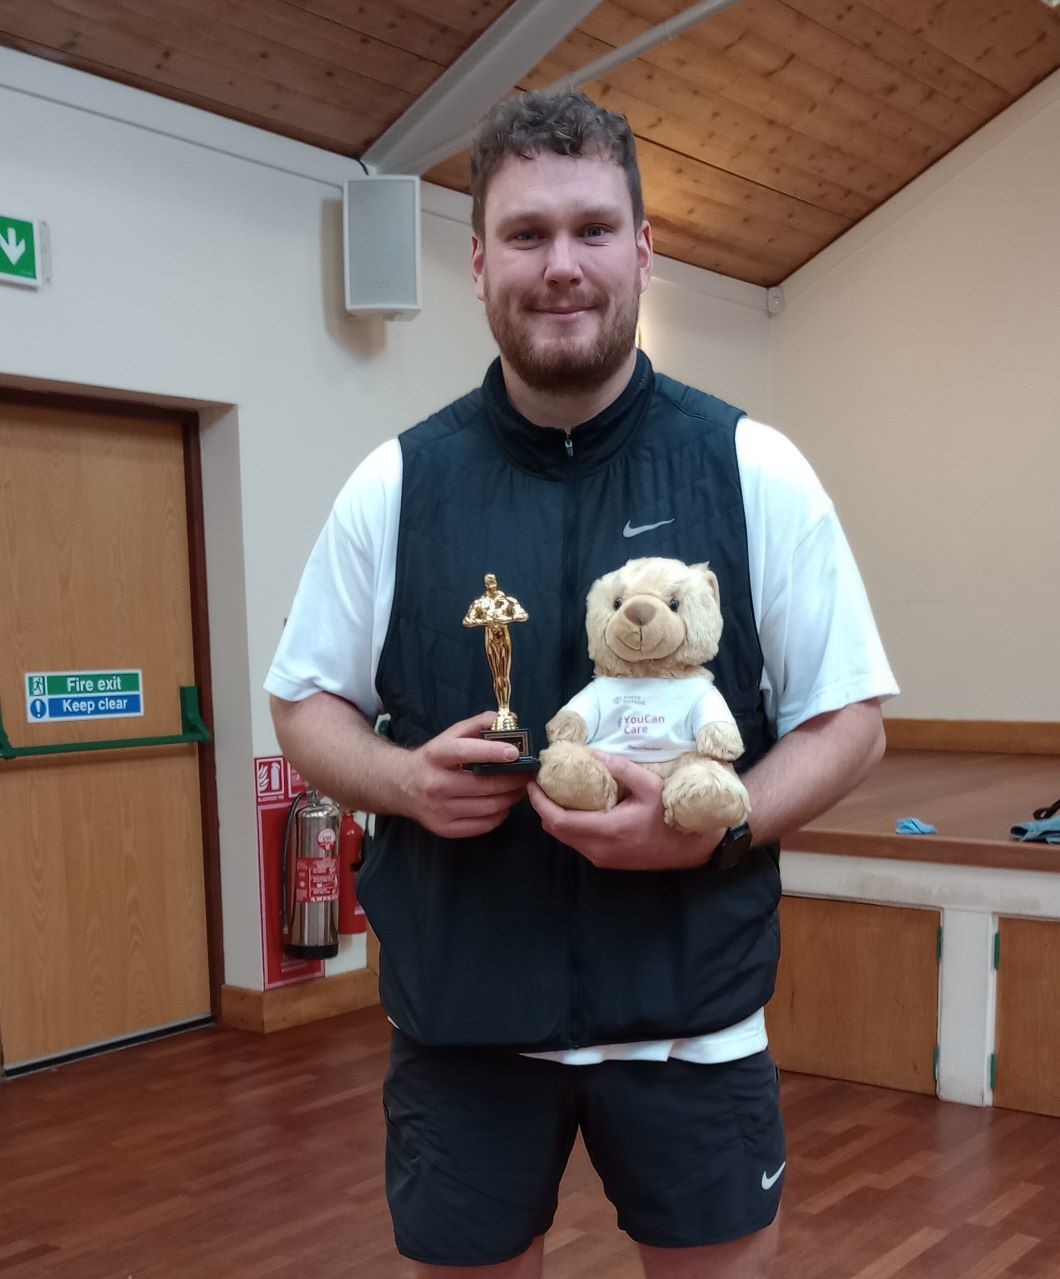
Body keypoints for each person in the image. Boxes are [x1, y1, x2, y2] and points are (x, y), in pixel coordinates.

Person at [266, 90, 898, 1279]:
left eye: (593, 229)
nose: (561, 265)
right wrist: (400, 779)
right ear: (477, 263)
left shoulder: (751, 466)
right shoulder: (395, 485)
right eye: (526, 234)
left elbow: (849, 718)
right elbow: (303, 703)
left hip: (693, 1023)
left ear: (644, 249)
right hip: (462, 1024)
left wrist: (719, 826)